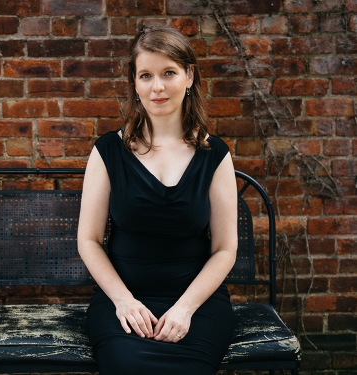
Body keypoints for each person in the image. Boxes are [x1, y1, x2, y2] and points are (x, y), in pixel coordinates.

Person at [77, 25, 238, 374]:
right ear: (134, 83)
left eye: (169, 73)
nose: (158, 87)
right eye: (146, 75)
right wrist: (122, 301)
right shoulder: (108, 151)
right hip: (124, 301)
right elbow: (88, 240)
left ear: (189, 76)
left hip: (197, 304)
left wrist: (185, 309)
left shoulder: (215, 155)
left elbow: (225, 249)